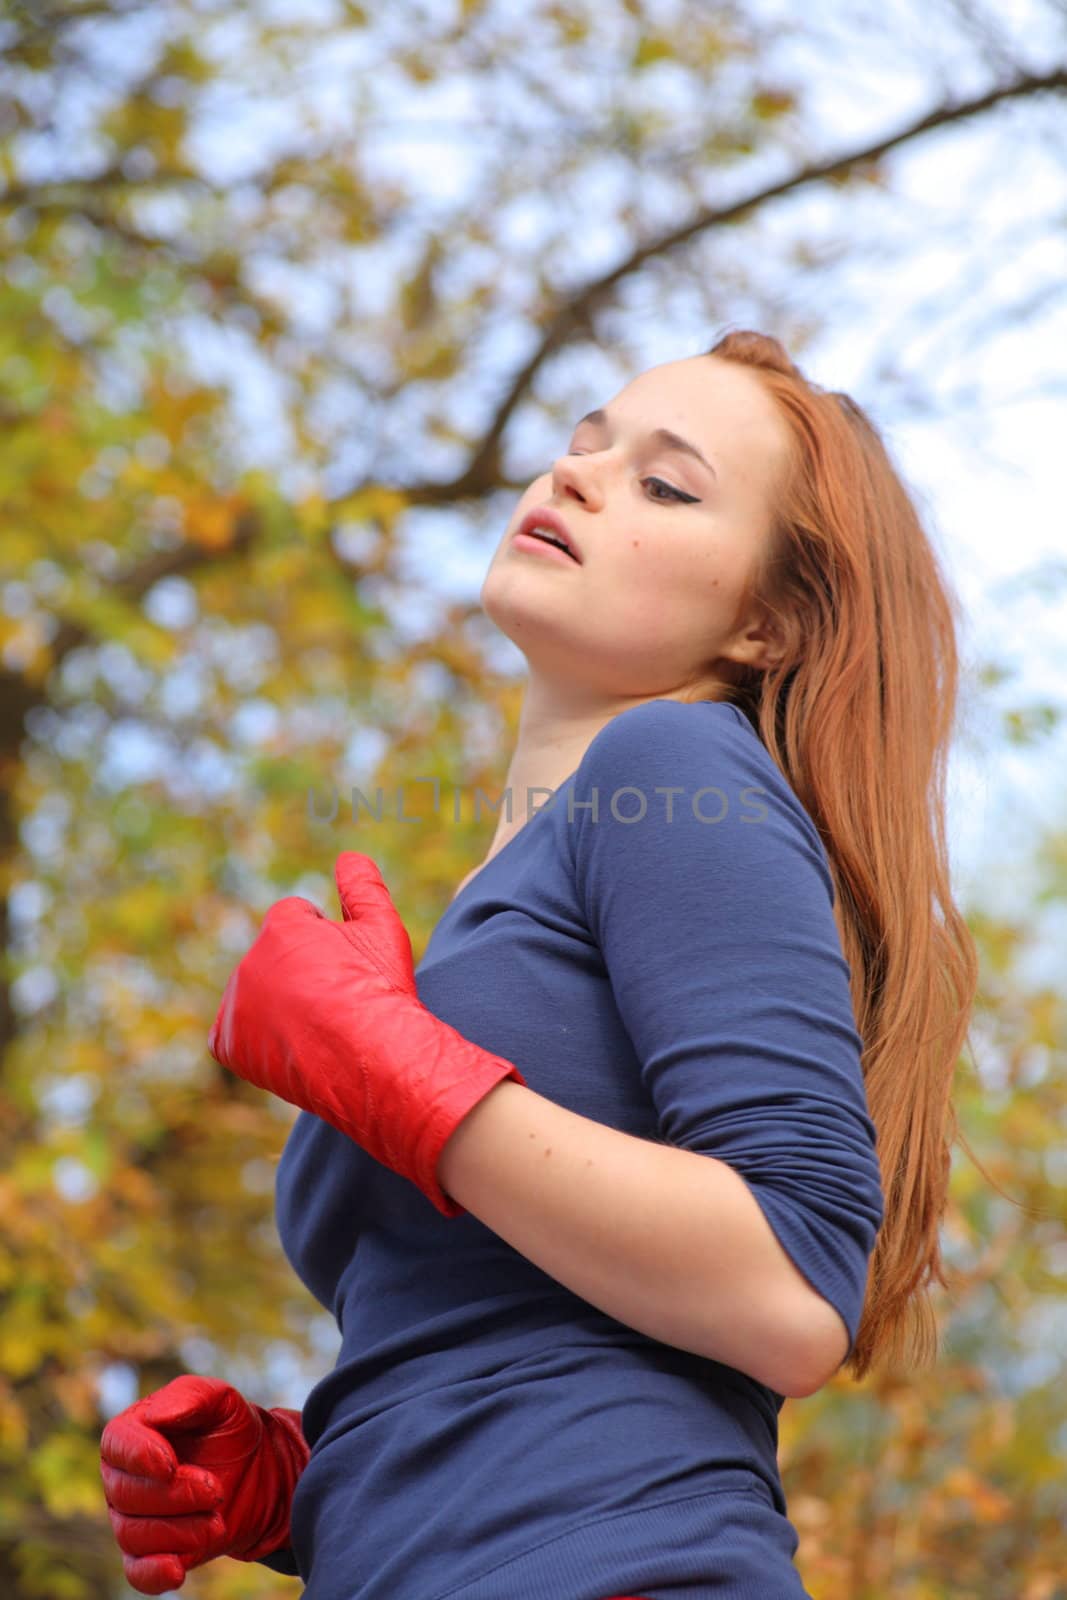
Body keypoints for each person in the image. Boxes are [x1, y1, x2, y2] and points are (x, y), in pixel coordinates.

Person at [99, 329, 978, 1598]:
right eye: (584, 443)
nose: (575, 476)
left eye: (663, 485)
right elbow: (523, 1324)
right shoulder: (514, 881)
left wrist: (403, 1077)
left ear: (768, 624)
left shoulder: (671, 769)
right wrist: (303, 1484)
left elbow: (790, 1287)